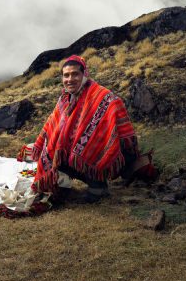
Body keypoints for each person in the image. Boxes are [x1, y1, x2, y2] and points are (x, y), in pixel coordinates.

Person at [31, 55, 141, 203]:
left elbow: (116, 113)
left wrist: (93, 134)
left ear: (84, 75)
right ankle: (63, 185)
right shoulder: (65, 98)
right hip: (82, 149)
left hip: (106, 150)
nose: (70, 79)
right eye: (66, 75)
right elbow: (52, 124)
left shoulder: (103, 96)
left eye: (75, 74)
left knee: (83, 147)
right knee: (53, 148)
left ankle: (98, 188)